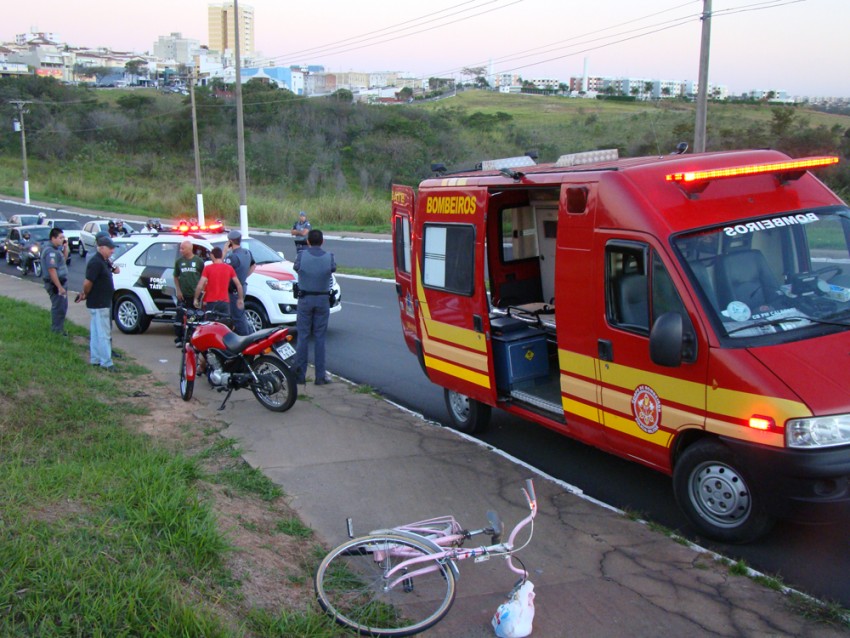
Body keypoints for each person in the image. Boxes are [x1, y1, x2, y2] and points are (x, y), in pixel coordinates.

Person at [293, 229, 336, 385]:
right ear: (322, 241)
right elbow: (332, 269)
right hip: (323, 300)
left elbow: (296, 268)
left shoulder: (301, 256)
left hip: (305, 299)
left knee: (303, 336)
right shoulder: (329, 257)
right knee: (320, 337)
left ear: (308, 241)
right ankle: (320, 376)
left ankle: (300, 374)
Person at [76, 234, 120, 371]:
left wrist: (110, 262)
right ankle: (107, 362)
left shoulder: (104, 261)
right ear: (101, 248)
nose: (112, 250)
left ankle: (95, 359)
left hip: (99, 301)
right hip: (100, 302)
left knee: (96, 332)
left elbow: (117, 270)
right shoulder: (96, 262)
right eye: (110, 248)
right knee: (103, 334)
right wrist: (86, 293)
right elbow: (88, 282)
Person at [193, 246, 244, 319]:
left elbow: (200, 286)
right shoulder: (229, 268)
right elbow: (239, 285)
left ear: (212, 256)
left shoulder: (208, 268)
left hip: (211, 302)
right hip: (224, 302)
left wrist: (196, 298)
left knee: (211, 325)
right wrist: (240, 299)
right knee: (224, 325)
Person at [172, 240, 205, 347]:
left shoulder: (199, 261)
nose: (181, 250)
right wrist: (178, 290)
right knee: (180, 316)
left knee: (194, 318)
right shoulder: (179, 262)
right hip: (183, 295)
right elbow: (176, 276)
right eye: (180, 248)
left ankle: (191, 338)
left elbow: (203, 278)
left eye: (183, 248)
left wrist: (201, 293)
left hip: (195, 296)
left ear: (189, 249)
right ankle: (179, 338)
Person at [223, 229, 255, 335]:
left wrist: (224, 252)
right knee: (240, 315)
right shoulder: (247, 252)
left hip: (234, 291)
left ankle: (244, 338)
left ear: (230, 242)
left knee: (237, 316)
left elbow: (221, 268)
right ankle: (247, 334)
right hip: (242, 286)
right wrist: (243, 276)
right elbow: (253, 265)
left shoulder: (232, 257)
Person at [41, 227, 70, 335]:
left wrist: (65, 248)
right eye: (60, 237)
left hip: (61, 282)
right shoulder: (50, 252)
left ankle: (59, 329)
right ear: (53, 238)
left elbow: (63, 261)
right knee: (58, 307)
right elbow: (52, 270)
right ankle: (56, 331)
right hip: (55, 284)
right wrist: (59, 287)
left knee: (62, 307)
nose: (62, 239)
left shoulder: (56, 250)